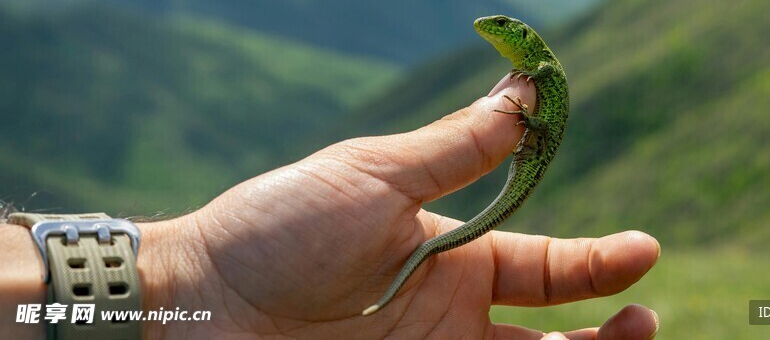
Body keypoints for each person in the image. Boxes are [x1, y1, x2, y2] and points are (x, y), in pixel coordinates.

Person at [0, 75, 660, 339]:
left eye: (503, 29)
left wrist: (186, 273)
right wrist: (193, 271)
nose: (491, 32)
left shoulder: (537, 78)